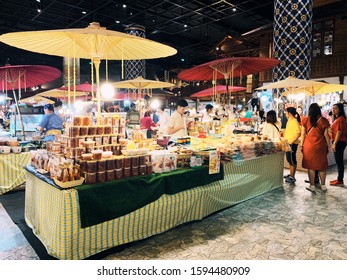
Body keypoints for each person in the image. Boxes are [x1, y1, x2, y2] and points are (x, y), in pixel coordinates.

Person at [301, 103, 331, 193]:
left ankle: (312, 186)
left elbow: (303, 134)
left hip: (309, 146)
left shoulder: (305, 120)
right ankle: (323, 186)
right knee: (321, 166)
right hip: (320, 146)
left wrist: (301, 144)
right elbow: (326, 135)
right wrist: (329, 146)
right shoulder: (324, 120)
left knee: (311, 166)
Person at [329, 103, 347, 186]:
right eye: (333, 108)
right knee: (339, 161)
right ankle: (339, 179)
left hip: (339, 142)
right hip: (339, 141)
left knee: (339, 161)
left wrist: (334, 143)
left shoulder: (340, 119)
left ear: (340, 109)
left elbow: (339, 132)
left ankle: (340, 180)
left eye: (335, 108)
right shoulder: (337, 119)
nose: (333, 110)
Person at [283, 107, 301, 184]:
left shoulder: (294, 121)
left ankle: (292, 177)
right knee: (289, 159)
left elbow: (298, 133)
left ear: (289, 113)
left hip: (292, 144)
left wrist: (291, 142)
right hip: (288, 143)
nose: (285, 114)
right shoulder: (289, 121)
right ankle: (291, 174)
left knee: (292, 159)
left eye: (286, 112)